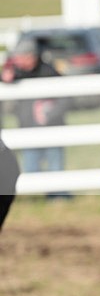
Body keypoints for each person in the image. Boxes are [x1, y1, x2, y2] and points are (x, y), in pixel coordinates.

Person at [1, 44, 70, 198]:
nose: (17, 61)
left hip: (52, 128)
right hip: (27, 127)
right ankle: (32, 198)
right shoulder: (17, 73)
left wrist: (50, 113)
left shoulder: (48, 71)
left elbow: (64, 97)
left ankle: (58, 196)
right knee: (30, 166)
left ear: (30, 56)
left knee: (55, 165)